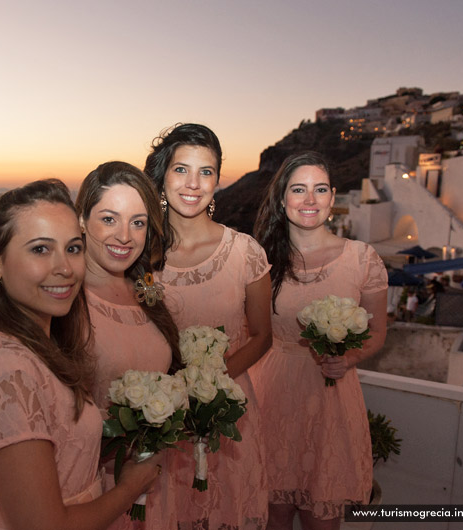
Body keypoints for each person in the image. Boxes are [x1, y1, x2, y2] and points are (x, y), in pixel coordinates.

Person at [0, 179, 161, 530]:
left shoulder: (37, 345)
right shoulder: (7, 370)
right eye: (40, 250)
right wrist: (131, 486)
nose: (65, 268)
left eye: (73, 249)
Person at [144, 123, 273, 530]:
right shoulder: (140, 256)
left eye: (207, 171)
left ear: (218, 180)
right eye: (182, 169)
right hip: (159, 418)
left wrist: (211, 387)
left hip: (228, 412)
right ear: (163, 176)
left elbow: (263, 335)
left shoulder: (245, 252)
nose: (194, 183)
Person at [252, 151, 388, 530]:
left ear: (332, 198)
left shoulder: (363, 259)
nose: (310, 200)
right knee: (273, 517)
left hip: (331, 400)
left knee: (321, 518)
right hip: (272, 395)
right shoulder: (260, 260)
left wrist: (348, 358)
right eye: (299, 189)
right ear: (283, 199)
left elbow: (378, 333)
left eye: (320, 189)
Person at [75, 161, 182, 529]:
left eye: (137, 222)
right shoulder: (62, 304)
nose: (125, 236)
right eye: (109, 219)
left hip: (152, 478)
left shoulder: (146, 288)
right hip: (94, 490)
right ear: (81, 220)